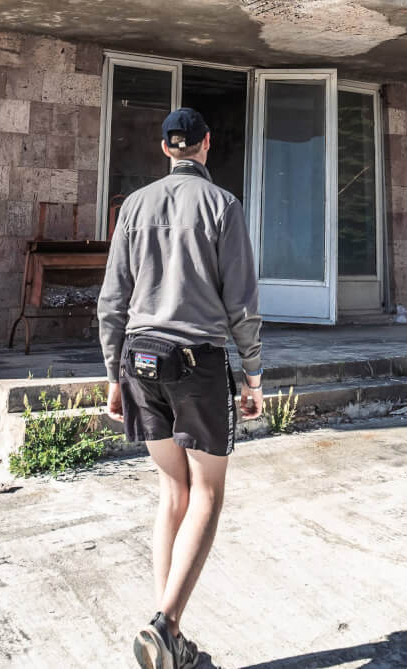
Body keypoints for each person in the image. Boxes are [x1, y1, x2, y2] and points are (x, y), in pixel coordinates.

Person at [98, 107, 265, 669]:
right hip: (197, 360)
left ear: (165, 148)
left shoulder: (134, 206)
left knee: (173, 494)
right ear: (206, 145)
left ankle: (166, 630)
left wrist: (112, 374)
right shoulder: (223, 206)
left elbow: (112, 300)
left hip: (139, 359)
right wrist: (254, 374)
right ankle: (166, 627)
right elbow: (241, 301)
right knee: (208, 495)